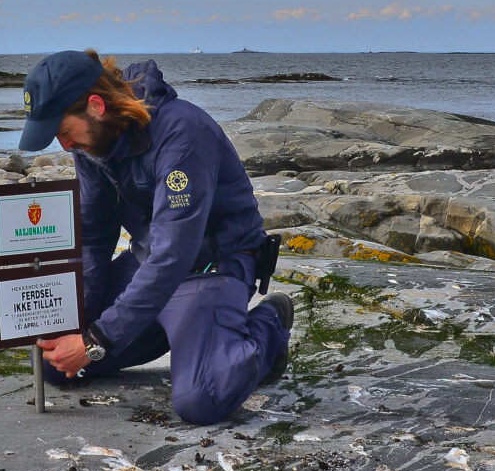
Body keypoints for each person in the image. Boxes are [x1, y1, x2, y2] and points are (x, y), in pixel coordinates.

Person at [19, 49, 293, 425]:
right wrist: (76, 321)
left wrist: (96, 341)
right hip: (148, 265)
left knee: (200, 400)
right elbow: (94, 238)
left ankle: (269, 324)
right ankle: (183, 335)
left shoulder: (183, 134)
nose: (64, 146)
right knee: (55, 365)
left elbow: (174, 254)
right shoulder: (92, 147)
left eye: (64, 132)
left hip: (210, 268)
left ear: (96, 106)